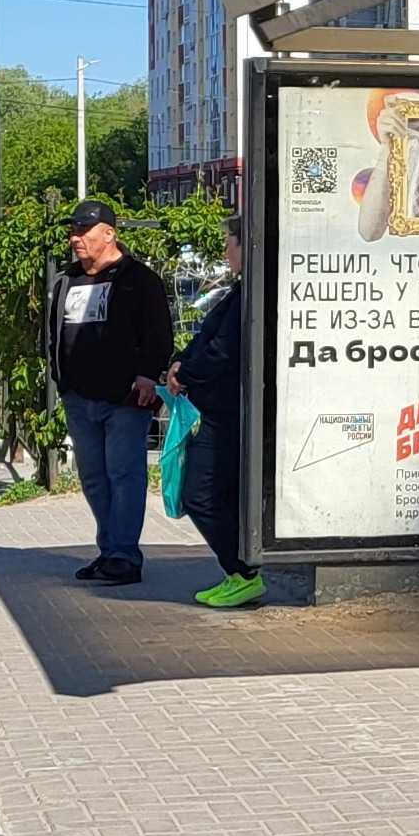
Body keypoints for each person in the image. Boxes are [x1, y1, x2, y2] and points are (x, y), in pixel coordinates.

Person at [53, 201, 178, 586]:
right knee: (93, 477)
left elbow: (159, 333)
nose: (75, 239)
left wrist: (146, 375)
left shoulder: (138, 279)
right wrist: (60, 378)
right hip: (78, 397)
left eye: (84, 232)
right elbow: (54, 334)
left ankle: (125, 555)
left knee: (124, 474)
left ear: (109, 233)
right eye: (73, 231)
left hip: (125, 398)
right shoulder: (66, 280)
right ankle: (109, 551)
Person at [174, 228, 254, 609]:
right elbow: (206, 337)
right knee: (218, 495)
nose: (225, 251)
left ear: (245, 244)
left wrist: (185, 373)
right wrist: (180, 365)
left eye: (229, 243)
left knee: (199, 494)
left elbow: (223, 351)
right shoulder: (238, 292)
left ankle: (244, 572)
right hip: (216, 410)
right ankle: (236, 571)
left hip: (225, 414)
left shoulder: (250, 295)